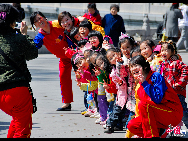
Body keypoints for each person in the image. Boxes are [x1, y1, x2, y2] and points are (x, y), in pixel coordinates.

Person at [0, 4, 38, 138]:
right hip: (17, 91)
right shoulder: (18, 39)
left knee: (16, 121)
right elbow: (33, 53)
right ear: (12, 22)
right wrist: (23, 34)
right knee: (23, 131)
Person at [127, 55, 183, 138]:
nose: (133, 69)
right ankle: (161, 133)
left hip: (172, 112)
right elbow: (140, 111)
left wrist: (145, 83)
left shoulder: (156, 76)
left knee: (144, 104)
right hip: (156, 116)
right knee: (132, 125)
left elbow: (158, 99)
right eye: (131, 67)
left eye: (135, 65)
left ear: (144, 66)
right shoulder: (139, 86)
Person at [30, 11, 73, 111]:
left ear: (44, 17)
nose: (39, 21)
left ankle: (94, 103)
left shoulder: (57, 24)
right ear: (35, 25)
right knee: (63, 77)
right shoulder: (40, 36)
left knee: (86, 77)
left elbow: (71, 21)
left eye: (39, 18)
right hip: (64, 58)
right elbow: (31, 47)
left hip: (76, 54)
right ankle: (67, 103)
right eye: (36, 21)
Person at [158, 41, 188, 130]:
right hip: (167, 93)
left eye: (166, 50)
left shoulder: (176, 62)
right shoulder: (162, 64)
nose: (163, 52)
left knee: (183, 112)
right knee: (169, 113)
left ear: (172, 52)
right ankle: (172, 131)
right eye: (162, 50)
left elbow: (186, 70)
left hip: (177, 92)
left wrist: (180, 83)